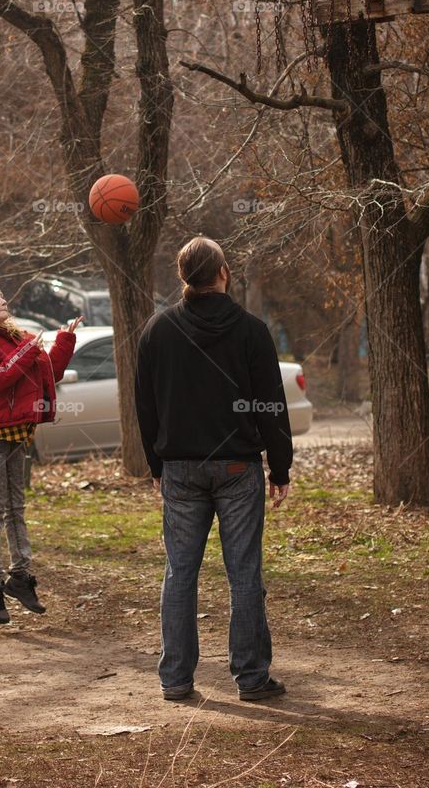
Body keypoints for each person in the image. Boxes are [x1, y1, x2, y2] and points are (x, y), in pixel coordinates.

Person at [135, 237, 292, 703]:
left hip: (180, 468)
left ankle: (176, 679)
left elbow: (145, 407)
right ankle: (251, 677)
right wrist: (279, 468)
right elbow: (271, 405)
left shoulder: (157, 331)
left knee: (179, 572)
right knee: (244, 573)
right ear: (222, 272)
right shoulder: (251, 331)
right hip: (237, 466)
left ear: (184, 277)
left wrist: (155, 464)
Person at [0, 282, 81, 625]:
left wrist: (63, 342)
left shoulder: (16, 337)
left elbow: (48, 374)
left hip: (19, 432)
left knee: (16, 507)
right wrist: (26, 351)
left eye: (1, 295)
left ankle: (20, 578)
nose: (3, 299)